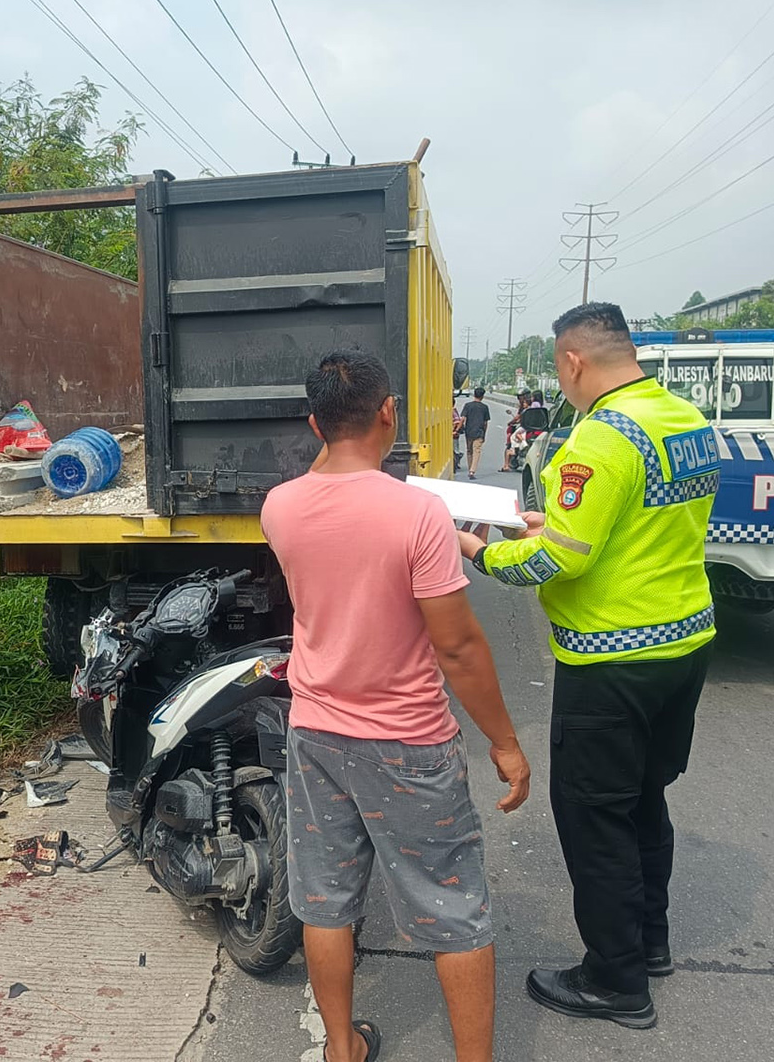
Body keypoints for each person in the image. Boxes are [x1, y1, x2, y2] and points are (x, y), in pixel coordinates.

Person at [262, 350, 531, 1062]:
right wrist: (504, 741)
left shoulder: (279, 505)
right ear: (389, 412)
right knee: (453, 909)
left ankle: (340, 1049)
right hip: (408, 742)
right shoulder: (419, 513)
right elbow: (461, 647)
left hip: (316, 729)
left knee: (324, 900)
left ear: (315, 421)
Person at [457, 302, 718, 1031]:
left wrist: (480, 551)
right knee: (643, 801)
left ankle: (614, 979)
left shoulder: (596, 441)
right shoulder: (684, 420)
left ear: (572, 362)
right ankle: (649, 942)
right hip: (683, 644)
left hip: (612, 661)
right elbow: (638, 519)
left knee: (595, 817)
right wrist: (556, 522)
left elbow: (552, 560)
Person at [459, 387, 491, 479]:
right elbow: (485, 423)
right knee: (477, 451)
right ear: (482, 396)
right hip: (479, 432)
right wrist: (484, 434)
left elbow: (463, 419)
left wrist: (457, 429)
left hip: (469, 431)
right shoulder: (484, 407)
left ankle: (470, 469)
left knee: (469, 451)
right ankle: (472, 471)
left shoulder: (468, 405)